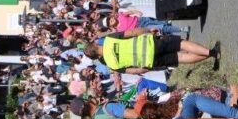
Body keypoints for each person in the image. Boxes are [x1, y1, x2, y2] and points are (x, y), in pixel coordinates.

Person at [83, 30, 221, 72]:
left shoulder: (112, 65)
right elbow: (131, 32)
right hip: (151, 44)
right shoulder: (109, 40)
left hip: (149, 61)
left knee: (180, 58)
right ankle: (211, 52)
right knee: (181, 44)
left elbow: (134, 71)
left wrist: (147, 68)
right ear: (94, 44)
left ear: (96, 58)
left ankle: (210, 56)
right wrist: (147, 31)